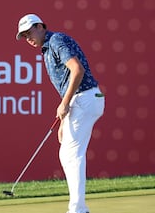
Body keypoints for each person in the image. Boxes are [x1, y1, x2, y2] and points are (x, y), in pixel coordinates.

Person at [15, 13, 105, 213]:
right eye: (24, 36)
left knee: (71, 154)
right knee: (68, 153)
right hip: (84, 99)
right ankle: (78, 207)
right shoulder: (47, 48)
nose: (28, 38)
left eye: (29, 32)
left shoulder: (56, 40)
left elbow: (77, 69)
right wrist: (64, 119)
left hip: (85, 97)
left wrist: (64, 104)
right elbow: (67, 83)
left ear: (40, 26)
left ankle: (78, 210)